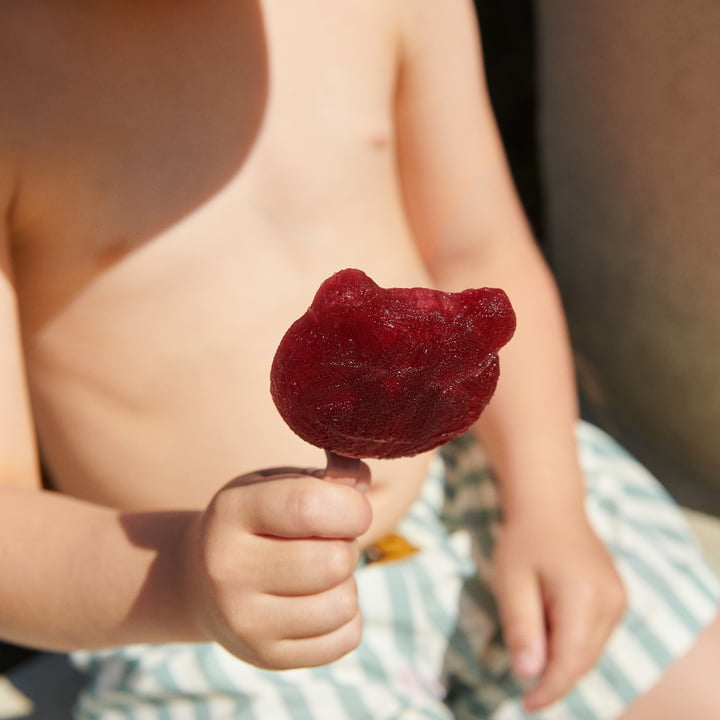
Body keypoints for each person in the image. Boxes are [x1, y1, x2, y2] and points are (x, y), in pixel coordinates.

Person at [0, 1, 718, 718]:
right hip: (202, 617)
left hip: (470, 493)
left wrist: (550, 501)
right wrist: (183, 582)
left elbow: (480, 253)